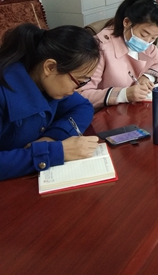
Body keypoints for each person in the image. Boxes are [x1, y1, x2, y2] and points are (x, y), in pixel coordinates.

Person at [0, 24, 100, 181]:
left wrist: (53, 137)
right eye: (78, 81)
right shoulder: (5, 92)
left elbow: (82, 107)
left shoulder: (46, 82)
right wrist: (54, 152)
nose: (77, 89)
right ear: (50, 67)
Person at [80, 0, 158, 109]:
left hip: (131, 108)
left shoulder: (146, 45)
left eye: (154, 37)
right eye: (144, 34)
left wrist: (148, 76)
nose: (147, 42)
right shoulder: (101, 47)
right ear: (127, 22)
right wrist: (123, 94)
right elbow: (82, 94)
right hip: (104, 111)